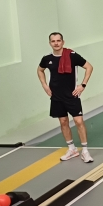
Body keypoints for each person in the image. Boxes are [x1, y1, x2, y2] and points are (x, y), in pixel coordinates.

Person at [37, 32, 94, 163]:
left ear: (63, 42)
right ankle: (72, 149)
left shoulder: (72, 56)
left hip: (71, 95)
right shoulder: (47, 59)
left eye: (58, 40)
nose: (56, 43)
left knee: (79, 121)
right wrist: (44, 85)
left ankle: (85, 151)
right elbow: (40, 70)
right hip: (56, 97)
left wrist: (83, 85)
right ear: (50, 43)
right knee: (63, 122)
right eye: (53, 41)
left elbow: (89, 67)